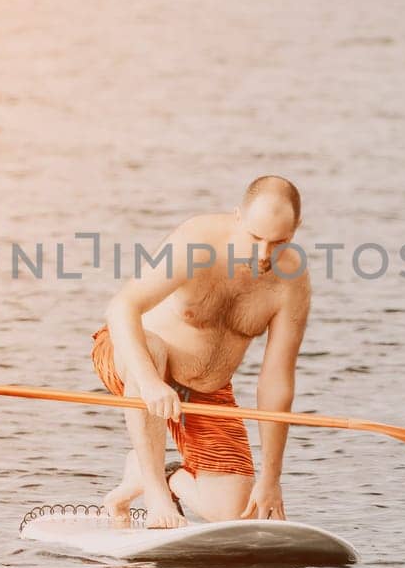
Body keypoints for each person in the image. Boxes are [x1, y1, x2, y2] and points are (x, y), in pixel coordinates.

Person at [94, 176, 311, 528]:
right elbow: (121, 308)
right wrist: (149, 382)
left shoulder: (292, 283)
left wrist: (271, 478)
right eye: (255, 238)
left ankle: (164, 476)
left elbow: (276, 381)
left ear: (296, 230)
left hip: (206, 389)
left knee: (235, 511)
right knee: (151, 349)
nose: (263, 255)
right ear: (238, 217)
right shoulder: (195, 242)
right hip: (135, 361)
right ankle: (155, 495)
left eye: (279, 242)